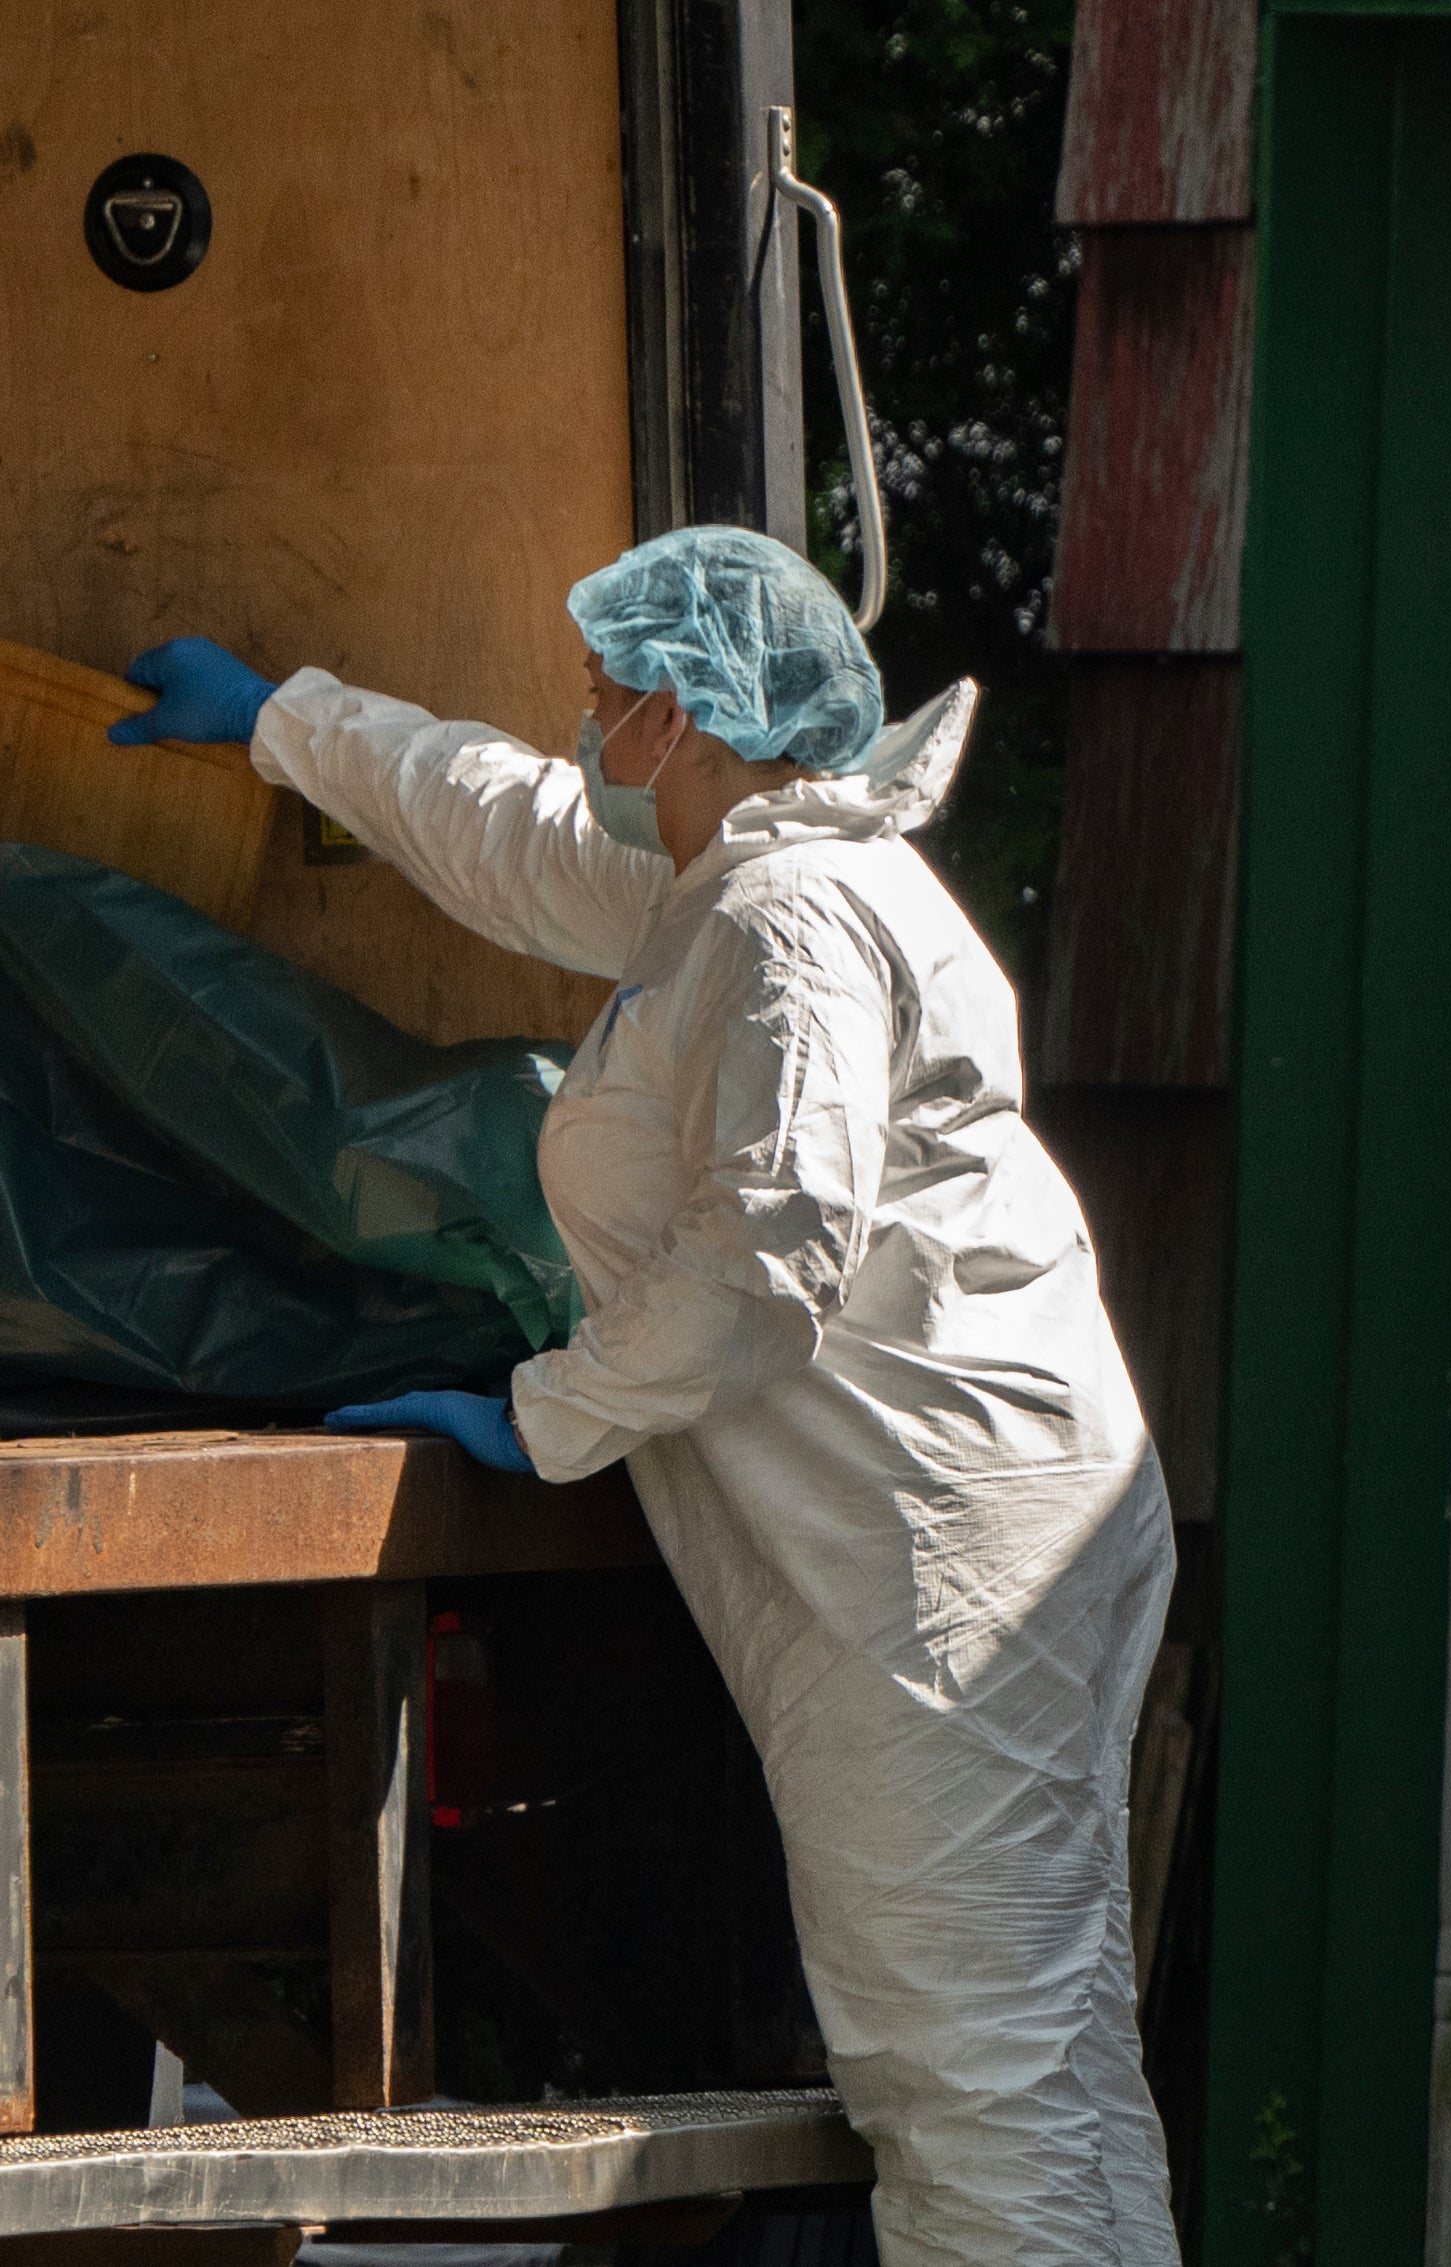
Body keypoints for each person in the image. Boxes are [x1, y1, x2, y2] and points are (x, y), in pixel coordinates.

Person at [109, 527, 1180, 2267]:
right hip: (956, 1520)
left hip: (937, 1567)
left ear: (690, 713)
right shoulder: (742, 881)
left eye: (611, 693)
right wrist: (285, 723)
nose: (586, 720)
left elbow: (773, 1258)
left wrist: (549, 1411)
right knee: (1034, 2053)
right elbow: (512, 822)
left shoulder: (786, 923)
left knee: (970, 2073)